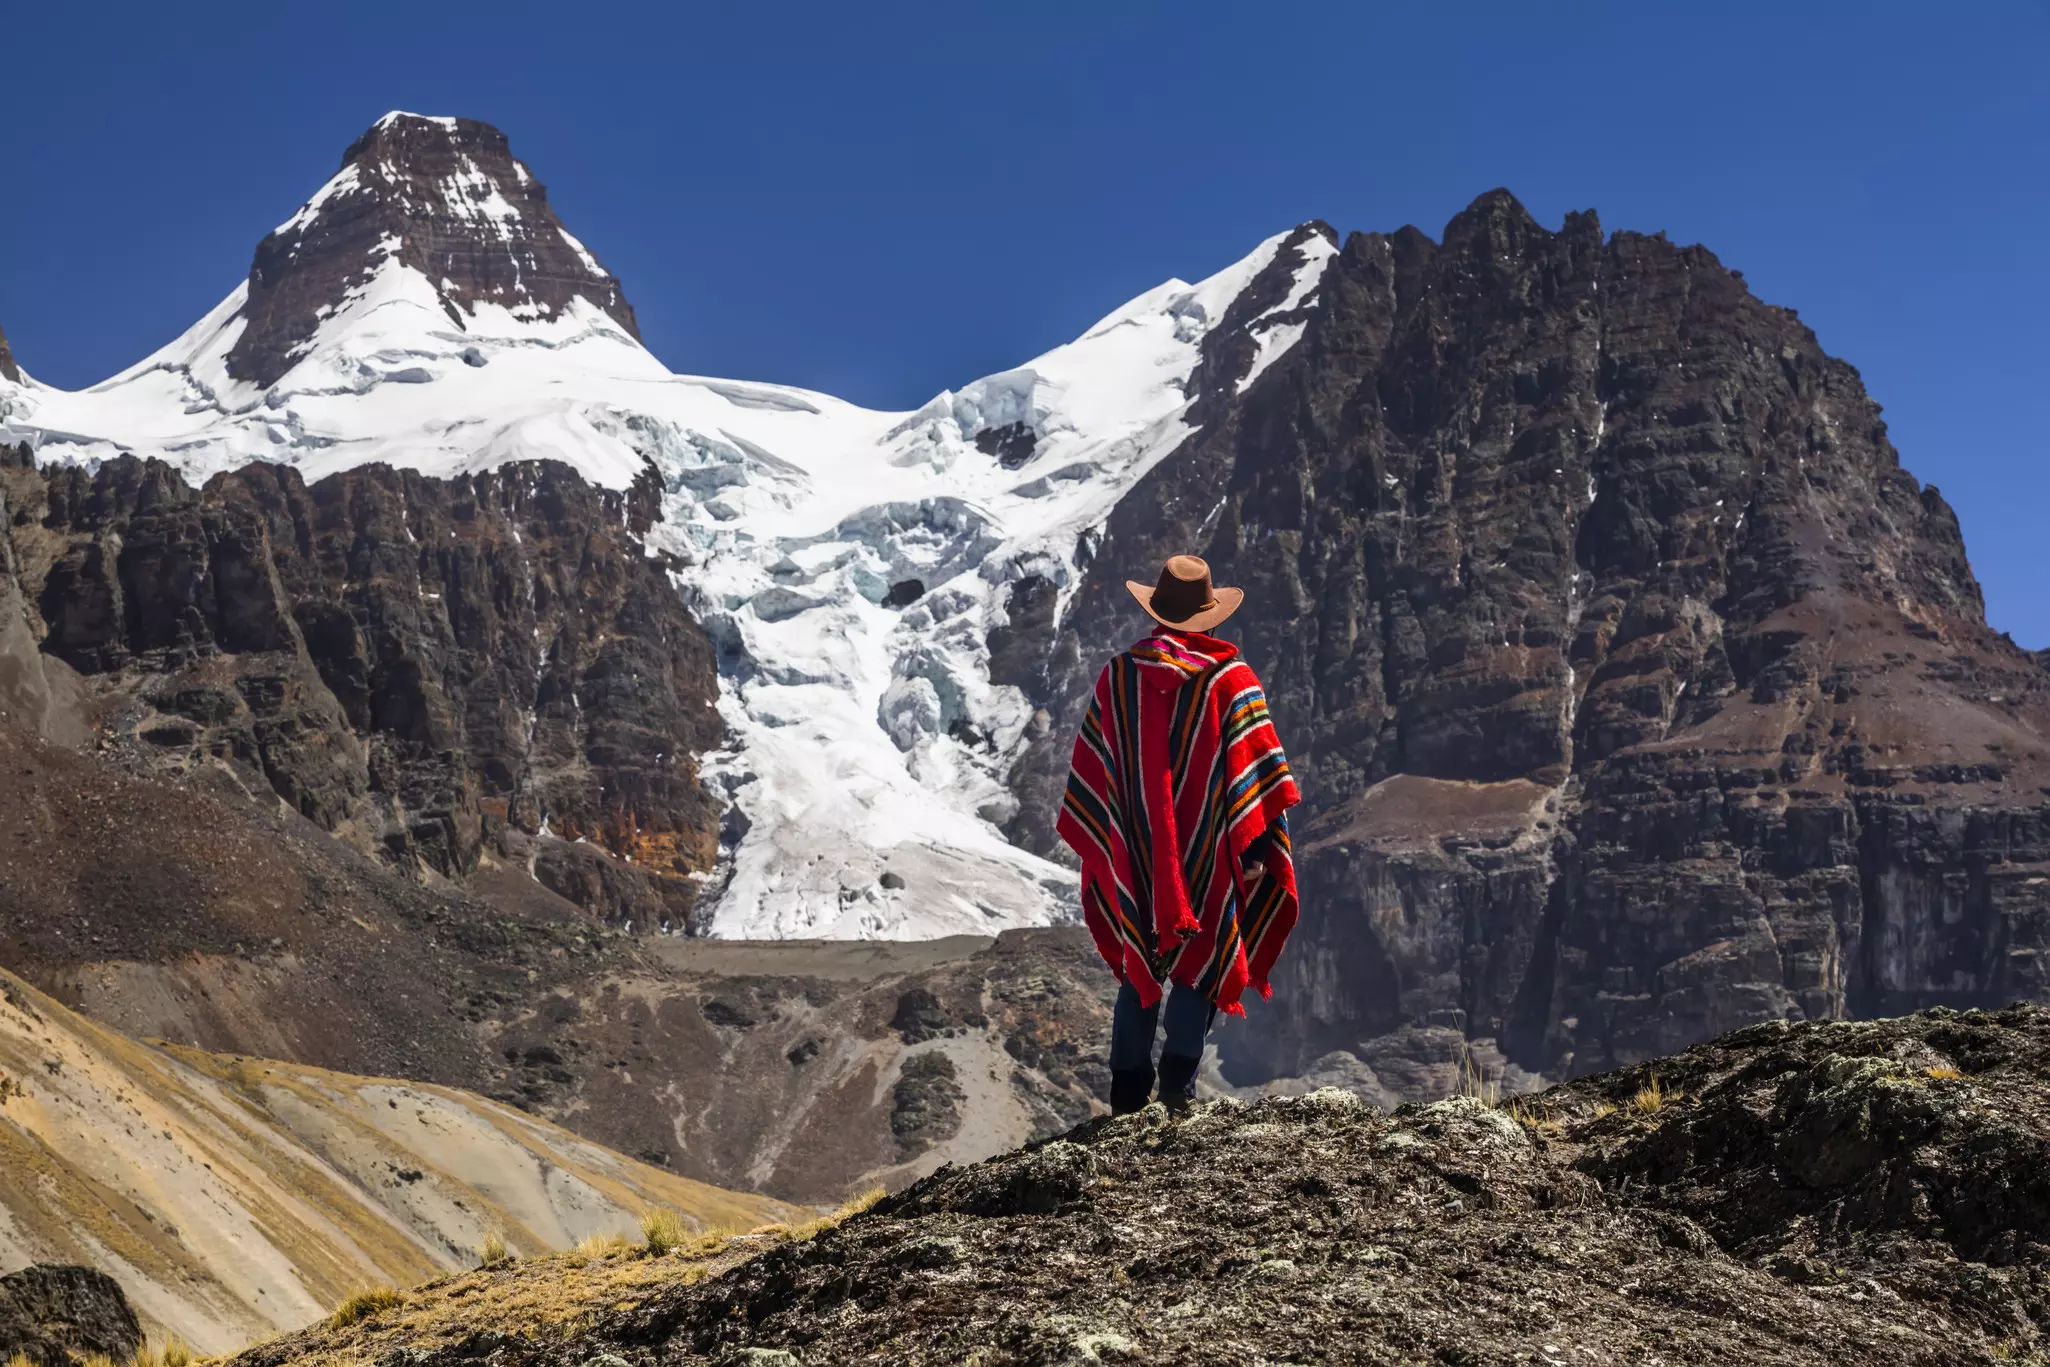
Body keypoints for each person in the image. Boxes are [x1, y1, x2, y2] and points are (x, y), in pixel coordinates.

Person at [1056, 554, 1302, 1115]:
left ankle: (1125, 1095)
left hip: (1135, 850)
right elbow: (1257, 777)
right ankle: (1176, 1090)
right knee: (1208, 951)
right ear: (1209, 618)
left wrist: (1115, 843)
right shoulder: (1232, 682)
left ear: (1158, 614)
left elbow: (1097, 771)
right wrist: (1258, 851)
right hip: (1212, 853)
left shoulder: (1118, 677)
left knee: (1139, 953)